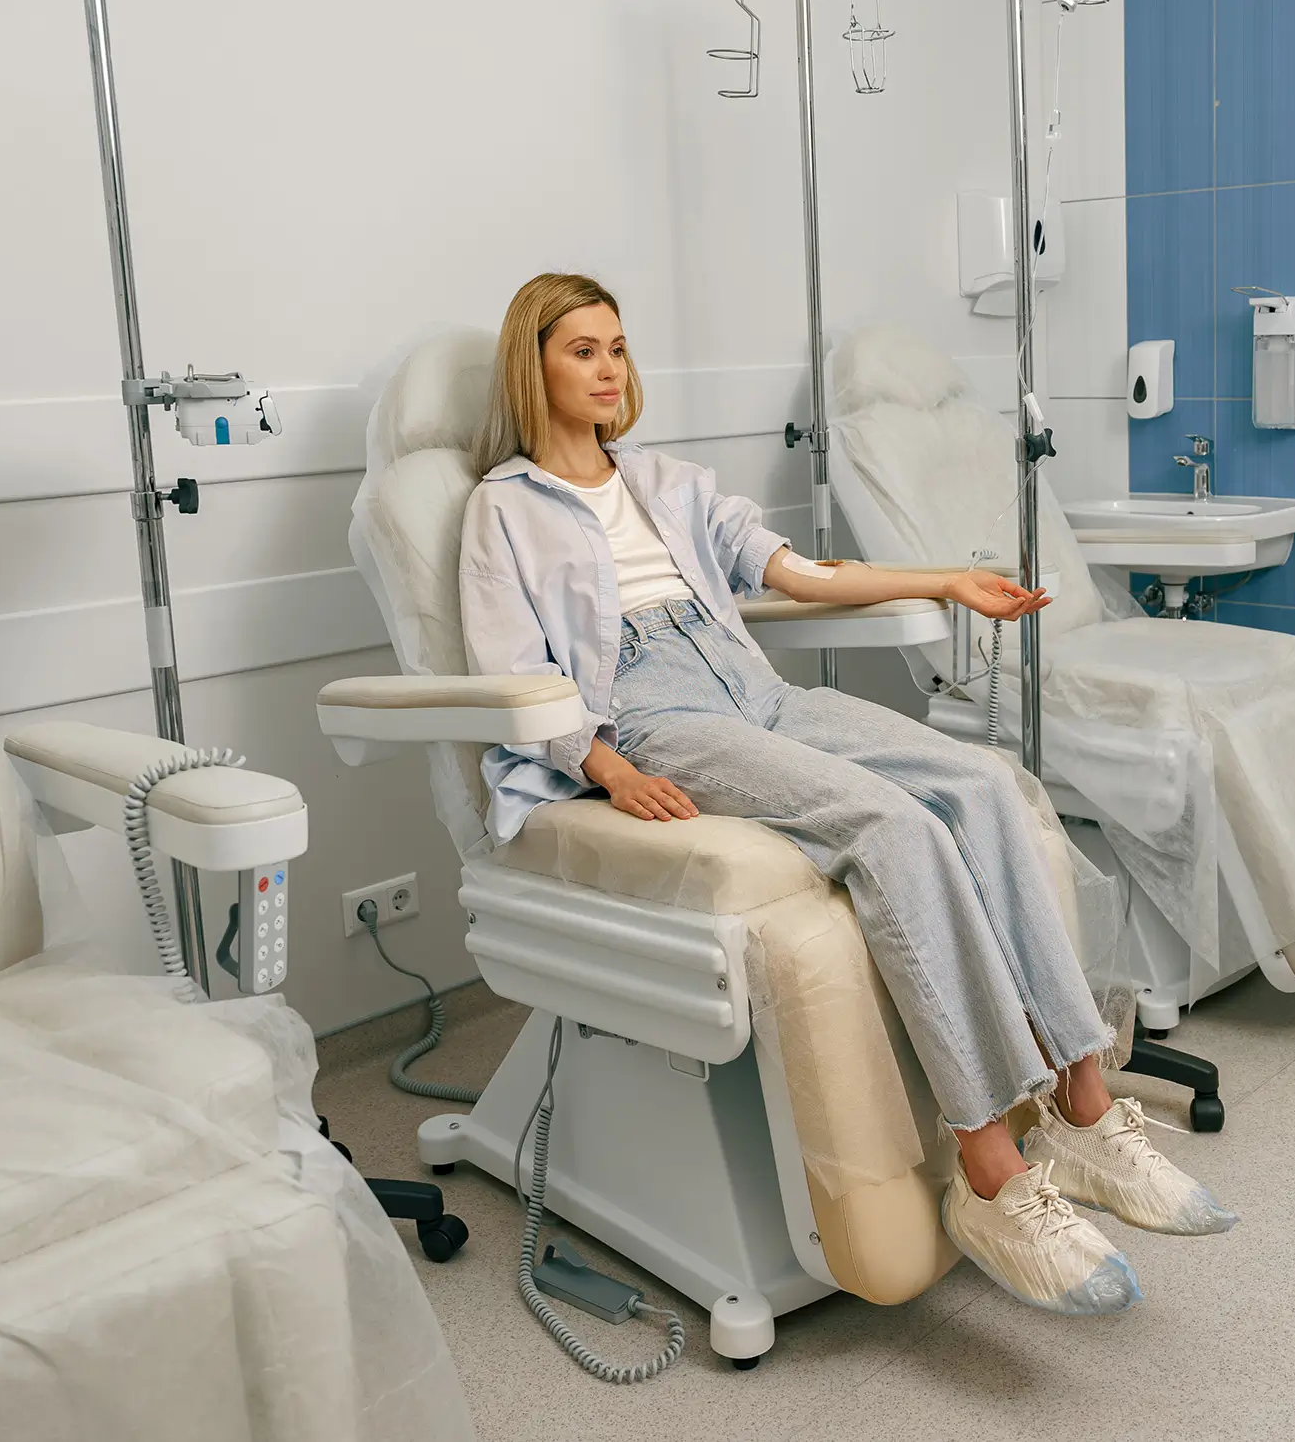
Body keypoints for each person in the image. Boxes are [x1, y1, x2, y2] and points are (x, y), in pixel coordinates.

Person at [458, 272, 1234, 1316]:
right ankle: (989, 1170)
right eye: (582, 350)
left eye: (617, 348)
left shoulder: (668, 482)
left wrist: (944, 579)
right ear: (533, 363)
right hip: (650, 709)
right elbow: (514, 667)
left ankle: (1085, 1107)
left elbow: (803, 573)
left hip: (750, 682)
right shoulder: (501, 509)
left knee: (981, 782)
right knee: (890, 825)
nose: (608, 369)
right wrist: (608, 764)